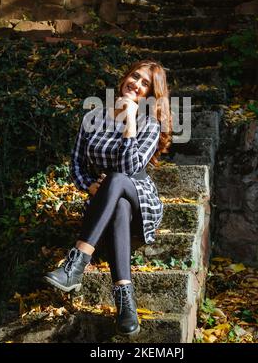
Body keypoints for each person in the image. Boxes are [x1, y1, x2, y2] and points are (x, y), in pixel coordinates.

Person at [44, 59, 172, 337]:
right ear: (125, 77)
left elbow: (128, 170)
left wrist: (129, 122)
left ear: (150, 95)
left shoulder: (149, 124)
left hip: (141, 199)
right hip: (107, 201)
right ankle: (126, 302)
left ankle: (77, 262)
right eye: (134, 76)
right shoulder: (94, 117)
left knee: (116, 180)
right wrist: (90, 186)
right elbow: (76, 163)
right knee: (117, 204)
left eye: (145, 83)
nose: (136, 84)